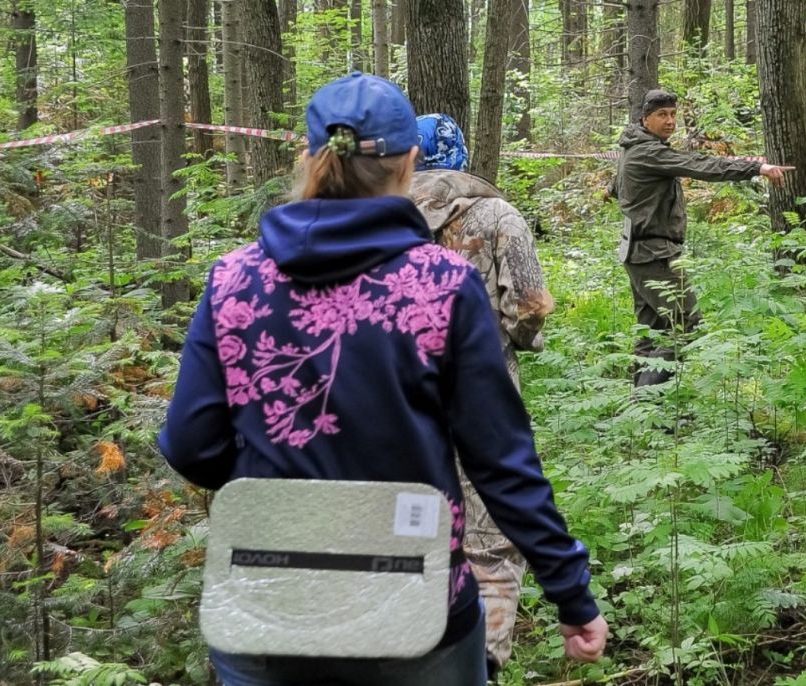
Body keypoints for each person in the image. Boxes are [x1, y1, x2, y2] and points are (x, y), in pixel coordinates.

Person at [158, 72, 607, 686]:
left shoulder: (235, 280)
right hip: (411, 605)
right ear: (409, 163)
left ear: (310, 158)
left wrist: (276, 469)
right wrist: (571, 594)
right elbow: (500, 462)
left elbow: (189, 445)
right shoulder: (444, 286)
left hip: (268, 595)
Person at [411, 113, 554, 679]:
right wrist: (520, 339)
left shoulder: (376, 219)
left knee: (409, 527)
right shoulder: (496, 214)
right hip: (484, 394)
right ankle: (484, 663)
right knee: (490, 537)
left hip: (398, 400)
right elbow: (530, 304)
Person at [607, 89, 792, 386]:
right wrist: (757, 167)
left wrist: (610, 190)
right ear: (646, 119)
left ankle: (645, 416)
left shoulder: (634, 147)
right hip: (654, 255)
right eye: (661, 115)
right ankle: (646, 399)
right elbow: (702, 165)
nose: (669, 121)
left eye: (672, 114)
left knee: (652, 331)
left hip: (638, 253)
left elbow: (617, 183)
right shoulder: (649, 151)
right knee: (686, 326)